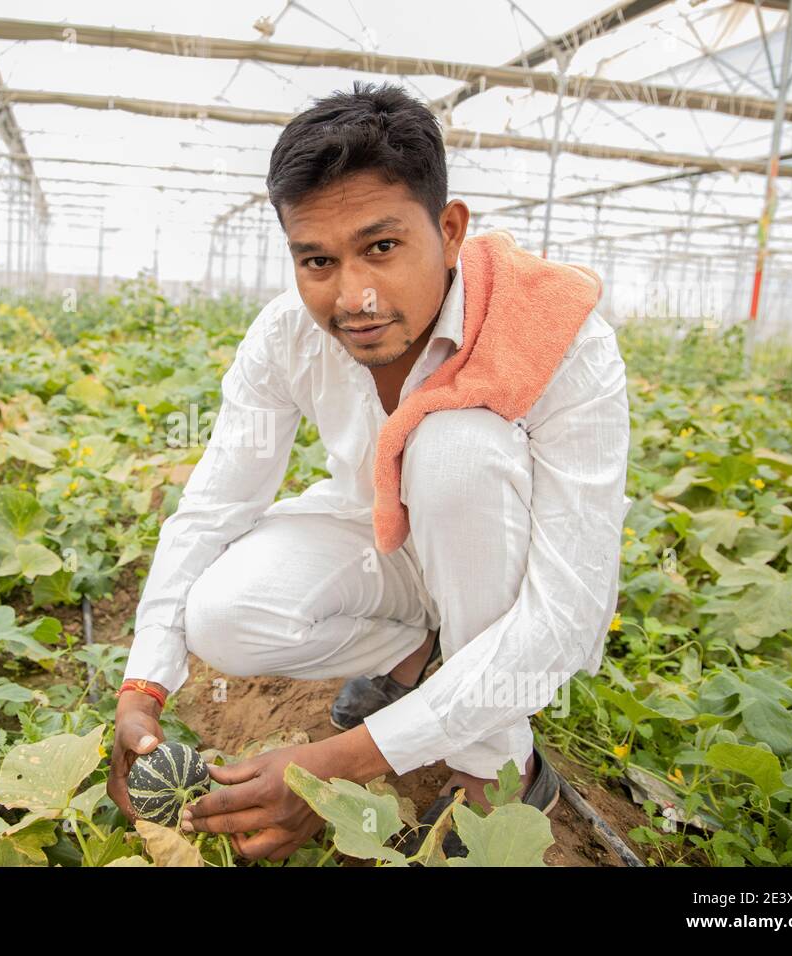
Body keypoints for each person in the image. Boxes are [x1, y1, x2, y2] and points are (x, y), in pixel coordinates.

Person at [108, 81, 632, 862]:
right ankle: (413, 656)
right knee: (222, 614)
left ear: (449, 231)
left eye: (381, 248)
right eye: (317, 260)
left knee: (455, 448)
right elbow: (214, 504)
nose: (353, 296)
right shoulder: (286, 335)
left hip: (505, 561)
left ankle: (503, 769)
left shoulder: (563, 340)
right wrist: (143, 681)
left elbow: (568, 615)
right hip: (382, 539)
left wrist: (339, 764)